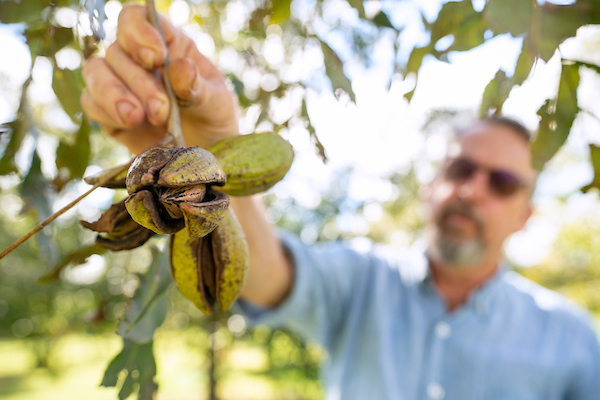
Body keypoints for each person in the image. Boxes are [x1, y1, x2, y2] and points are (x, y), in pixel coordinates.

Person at [82, 4, 600, 399]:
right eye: (460, 168)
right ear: (431, 183)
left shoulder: (576, 342)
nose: (472, 190)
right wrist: (211, 146)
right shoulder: (362, 279)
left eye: (503, 182)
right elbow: (265, 274)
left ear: (526, 216)